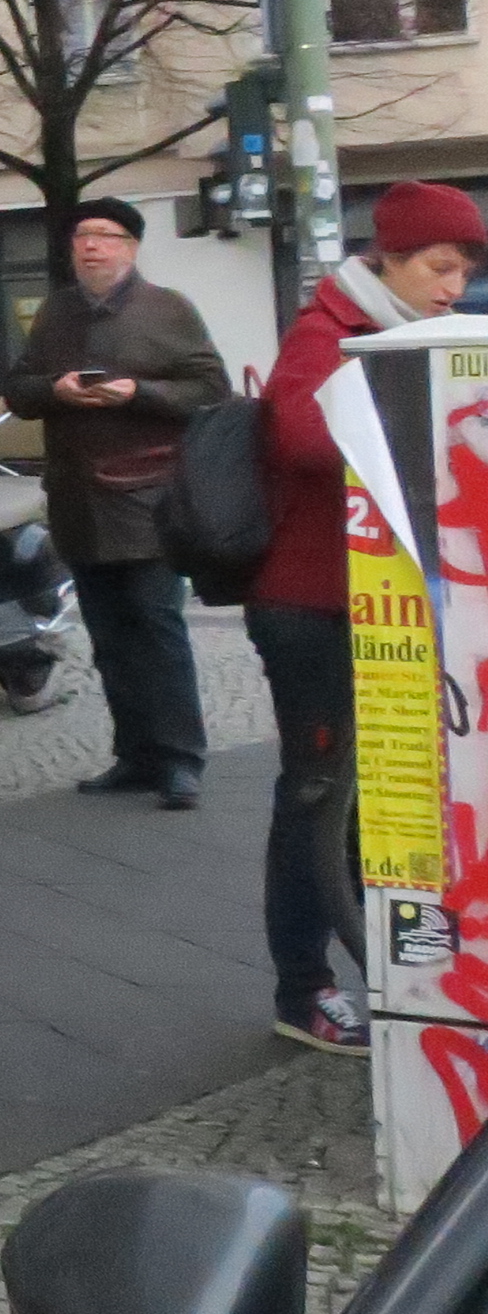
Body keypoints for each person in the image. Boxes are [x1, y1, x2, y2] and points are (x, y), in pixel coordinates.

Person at [253, 179, 482, 1053]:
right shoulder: (330, 331)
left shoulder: (417, 336)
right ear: (389, 259)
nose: (453, 286)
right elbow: (303, 437)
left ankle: (394, 974)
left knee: (382, 800)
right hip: (312, 605)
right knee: (314, 800)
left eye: (463, 271)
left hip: (388, 606)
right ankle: (303, 988)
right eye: (439, 267)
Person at [2, 199, 229, 810]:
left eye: (104, 236)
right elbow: (18, 389)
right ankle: (135, 754)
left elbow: (211, 389)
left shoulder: (168, 308)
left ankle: (180, 759)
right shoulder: (55, 311)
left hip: (147, 498)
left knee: (156, 627)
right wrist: (56, 390)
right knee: (108, 636)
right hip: (77, 499)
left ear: (131, 247)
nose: (90, 246)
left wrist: (139, 391)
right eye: (82, 236)